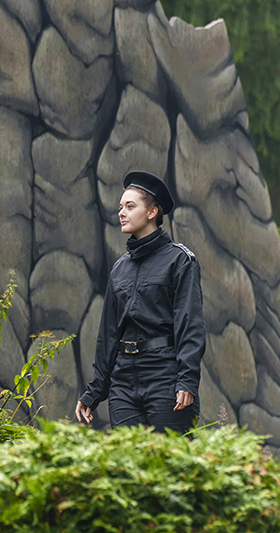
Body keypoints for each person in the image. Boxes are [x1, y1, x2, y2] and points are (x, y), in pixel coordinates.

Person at [75, 170, 205, 433]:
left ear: (152, 212)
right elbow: (108, 334)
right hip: (123, 381)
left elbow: (189, 324)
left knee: (170, 464)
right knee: (125, 467)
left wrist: (187, 381)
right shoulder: (119, 269)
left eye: (130, 206)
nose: (121, 212)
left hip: (166, 376)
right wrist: (96, 390)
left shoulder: (180, 260)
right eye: (121, 207)